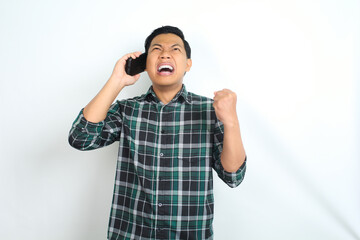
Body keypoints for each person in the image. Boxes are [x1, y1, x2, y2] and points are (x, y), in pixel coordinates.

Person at [68, 26, 247, 240]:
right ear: (145, 63)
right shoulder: (128, 110)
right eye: (156, 49)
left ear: (188, 64)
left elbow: (233, 176)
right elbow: (80, 138)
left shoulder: (210, 111)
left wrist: (231, 121)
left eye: (175, 49)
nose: (165, 53)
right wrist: (117, 81)